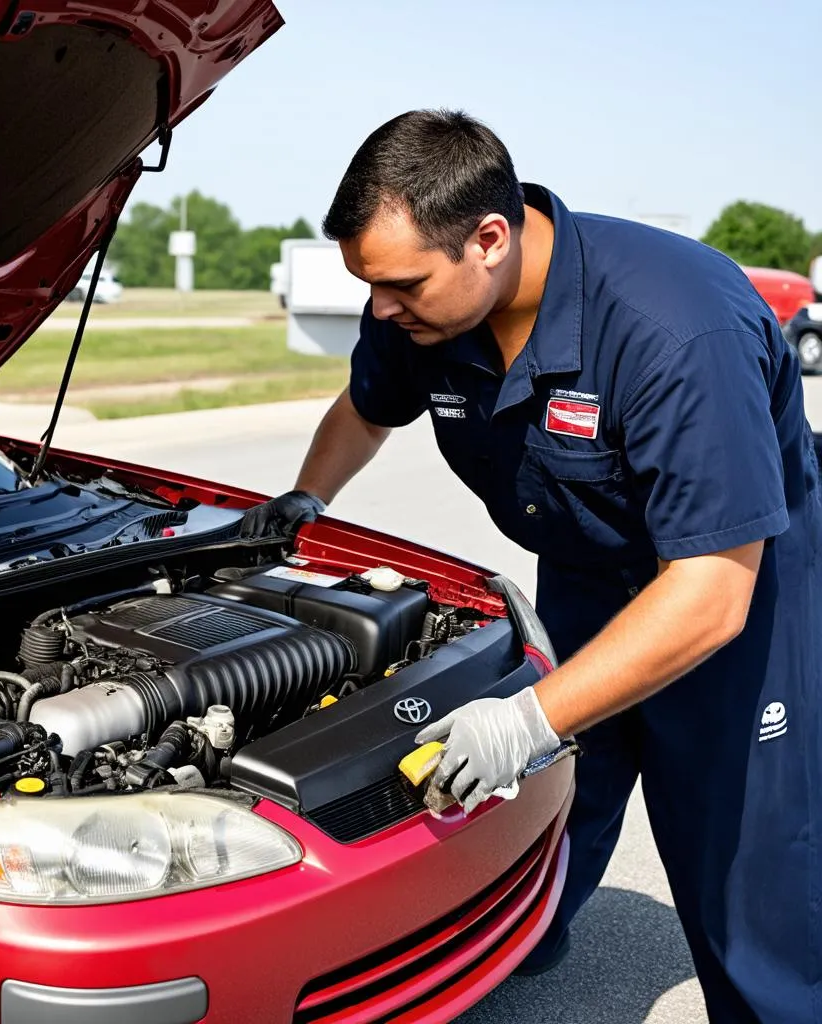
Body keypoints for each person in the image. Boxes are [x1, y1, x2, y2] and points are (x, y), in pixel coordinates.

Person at [239, 109, 821, 1023]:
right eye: (371, 288)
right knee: (566, 790)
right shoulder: (422, 307)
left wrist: (524, 719)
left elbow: (711, 590)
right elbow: (366, 408)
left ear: (489, 239)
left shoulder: (676, 328)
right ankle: (522, 943)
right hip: (588, 573)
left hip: (739, 595)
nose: (381, 309)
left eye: (400, 287)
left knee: (740, 862)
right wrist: (304, 507)